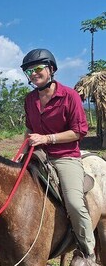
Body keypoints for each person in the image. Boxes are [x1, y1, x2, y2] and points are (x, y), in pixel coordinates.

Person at [21, 48, 97, 265]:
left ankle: (87, 250)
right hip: (37, 155)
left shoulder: (69, 96)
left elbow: (79, 131)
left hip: (65, 156)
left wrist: (48, 139)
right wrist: (24, 150)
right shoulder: (30, 99)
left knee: (73, 202)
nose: (33, 74)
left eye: (37, 69)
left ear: (51, 69)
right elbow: (29, 130)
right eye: (29, 72)